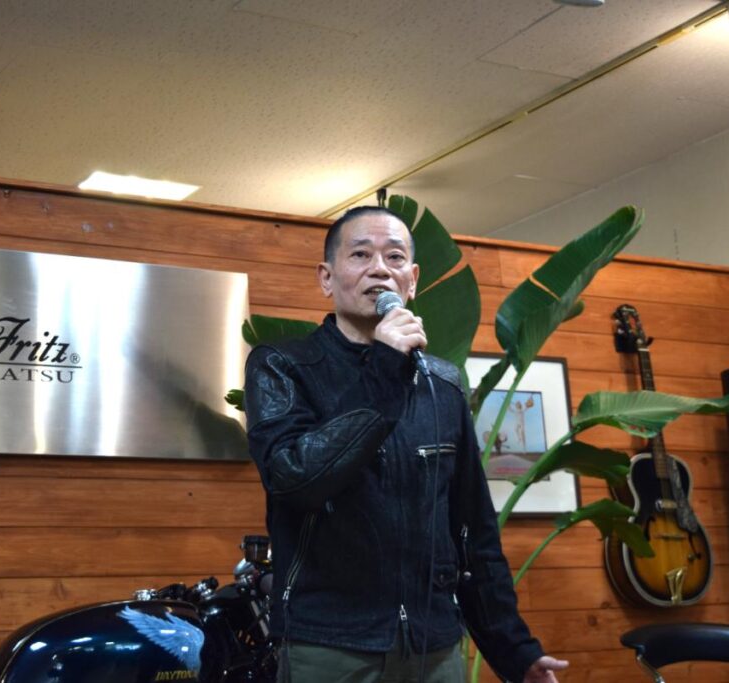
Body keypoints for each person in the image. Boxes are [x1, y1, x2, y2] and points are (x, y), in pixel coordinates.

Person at [243, 207, 569, 683]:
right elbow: (293, 479)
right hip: (329, 643)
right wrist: (384, 368)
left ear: (412, 281)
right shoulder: (283, 366)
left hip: (433, 643)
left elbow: (472, 530)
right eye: (360, 255)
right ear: (327, 278)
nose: (380, 268)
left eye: (394, 257)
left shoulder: (442, 383)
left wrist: (512, 648)